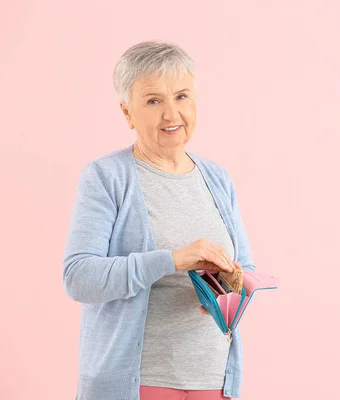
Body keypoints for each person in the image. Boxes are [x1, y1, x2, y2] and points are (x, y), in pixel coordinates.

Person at [62, 40, 256, 400]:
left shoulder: (216, 177)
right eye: (153, 100)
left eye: (181, 96)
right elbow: (78, 277)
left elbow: (244, 267)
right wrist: (170, 261)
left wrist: (229, 288)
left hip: (213, 381)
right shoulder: (106, 177)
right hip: (136, 384)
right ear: (127, 112)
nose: (171, 114)